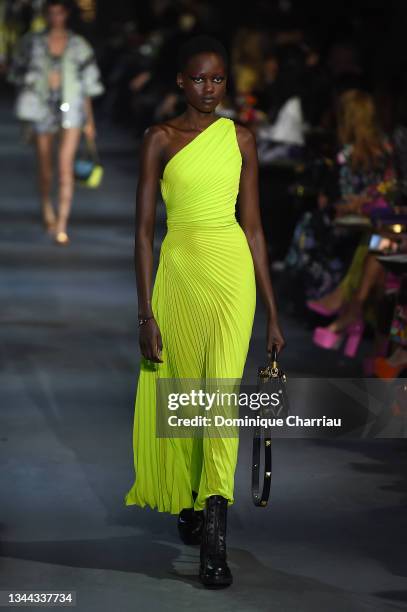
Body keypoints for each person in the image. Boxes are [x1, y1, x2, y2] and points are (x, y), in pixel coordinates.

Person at [123, 35, 285, 588]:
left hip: (231, 272)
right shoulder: (159, 139)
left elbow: (256, 227)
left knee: (218, 396)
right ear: (180, 81)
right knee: (185, 391)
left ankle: (215, 532)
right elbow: (143, 235)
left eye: (217, 80)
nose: (209, 89)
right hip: (180, 275)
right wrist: (145, 314)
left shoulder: (241, 138)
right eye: (199, 79)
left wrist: (273, 312)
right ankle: (192, 499)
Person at [8, 0, 104, 245]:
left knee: (64, 167)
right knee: (45, 167)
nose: (55, 17)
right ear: (46, 14)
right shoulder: (32, 42)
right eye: (51, 13)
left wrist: (89, 121)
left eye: (59, 13)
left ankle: (62, 223)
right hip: (40, 108)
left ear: (66, 14)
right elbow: (16, 72)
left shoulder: (79, 45)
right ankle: (46, 207)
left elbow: (87, 87)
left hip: (71, 111)